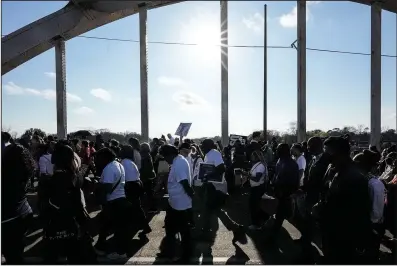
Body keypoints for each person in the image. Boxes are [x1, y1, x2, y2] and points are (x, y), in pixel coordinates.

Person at [317, 136, 372, 264]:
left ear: (339, 153)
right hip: (331, 232)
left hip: (344, 237)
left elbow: (361, 211)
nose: (326, 155)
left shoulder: (355, 177)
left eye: (328, 151)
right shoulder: (334, 171)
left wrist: (361, 241)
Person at [42, 143, 96, 264]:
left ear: (54, 159)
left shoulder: (51, 180)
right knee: (78, 257)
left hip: (57, 224)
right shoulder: (76, 176)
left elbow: (48, 205)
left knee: (52, 258)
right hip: (76, 222)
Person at [94, 148, 133, 260]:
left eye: (99, 158)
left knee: (115, 228)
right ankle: (102, 247)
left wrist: (97, 184)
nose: (97, 160)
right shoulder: (118, 165)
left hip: (114, 202)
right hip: (120, 200)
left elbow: (108, 188)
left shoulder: (109, 168)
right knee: (111, 227)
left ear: (105, 157)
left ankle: (120, 252)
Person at [159, 145, 194, 263]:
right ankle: (174, 253)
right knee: (175, 229)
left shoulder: (178, 163)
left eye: (164, 156)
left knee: (179, 230)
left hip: (180, 204)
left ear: (169, 154)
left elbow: (184, 182)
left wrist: (193, 198)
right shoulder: (178, 160)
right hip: (176, 202)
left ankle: (181, 255)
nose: (165, 159)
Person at [1, 144, 35, 264]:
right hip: (23, 213)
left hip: (7, 220)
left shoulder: (4, 176)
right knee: (16, 253)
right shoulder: (25, 172)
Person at [353, 150, 385, 263]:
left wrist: (367, 226)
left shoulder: (374, 184)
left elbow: (376, 213)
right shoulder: (358, 181)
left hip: (370, 227)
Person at [269, 143, 300, 240]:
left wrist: (289, 192)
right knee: (282, 214)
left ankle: (273, 235)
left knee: (284, 214)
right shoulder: (280, 160)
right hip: (280, 192)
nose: (276, 151)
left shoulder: (290, 163)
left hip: (286, 193)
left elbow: (293, 180)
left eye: (278, 149)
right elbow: (277, 174)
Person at [120, 145, 152, 238]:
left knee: (135, 207)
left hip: (131, 186)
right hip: (136, 184)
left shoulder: (124, 162)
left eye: (122, 150)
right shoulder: (130, 162)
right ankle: (144, 226)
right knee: (137, 208)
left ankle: (142, 227)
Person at [246, 150, 268, 230]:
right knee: (254, 205)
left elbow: (257, 178)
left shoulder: (260, 166)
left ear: (256, 157)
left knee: (254, 206)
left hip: (258, 188)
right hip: (255, 187)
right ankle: (264, 219)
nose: (251, 157)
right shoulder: (256, 165)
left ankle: (256, 224)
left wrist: (247, 175)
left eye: (253, 156)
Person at [140, 142, 157, 212]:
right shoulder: (148, 154)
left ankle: (147, 207)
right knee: (149, 192)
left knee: (145, 192)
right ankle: (152, 207)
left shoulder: (142, 155)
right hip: (148, 176)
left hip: (144, 176)